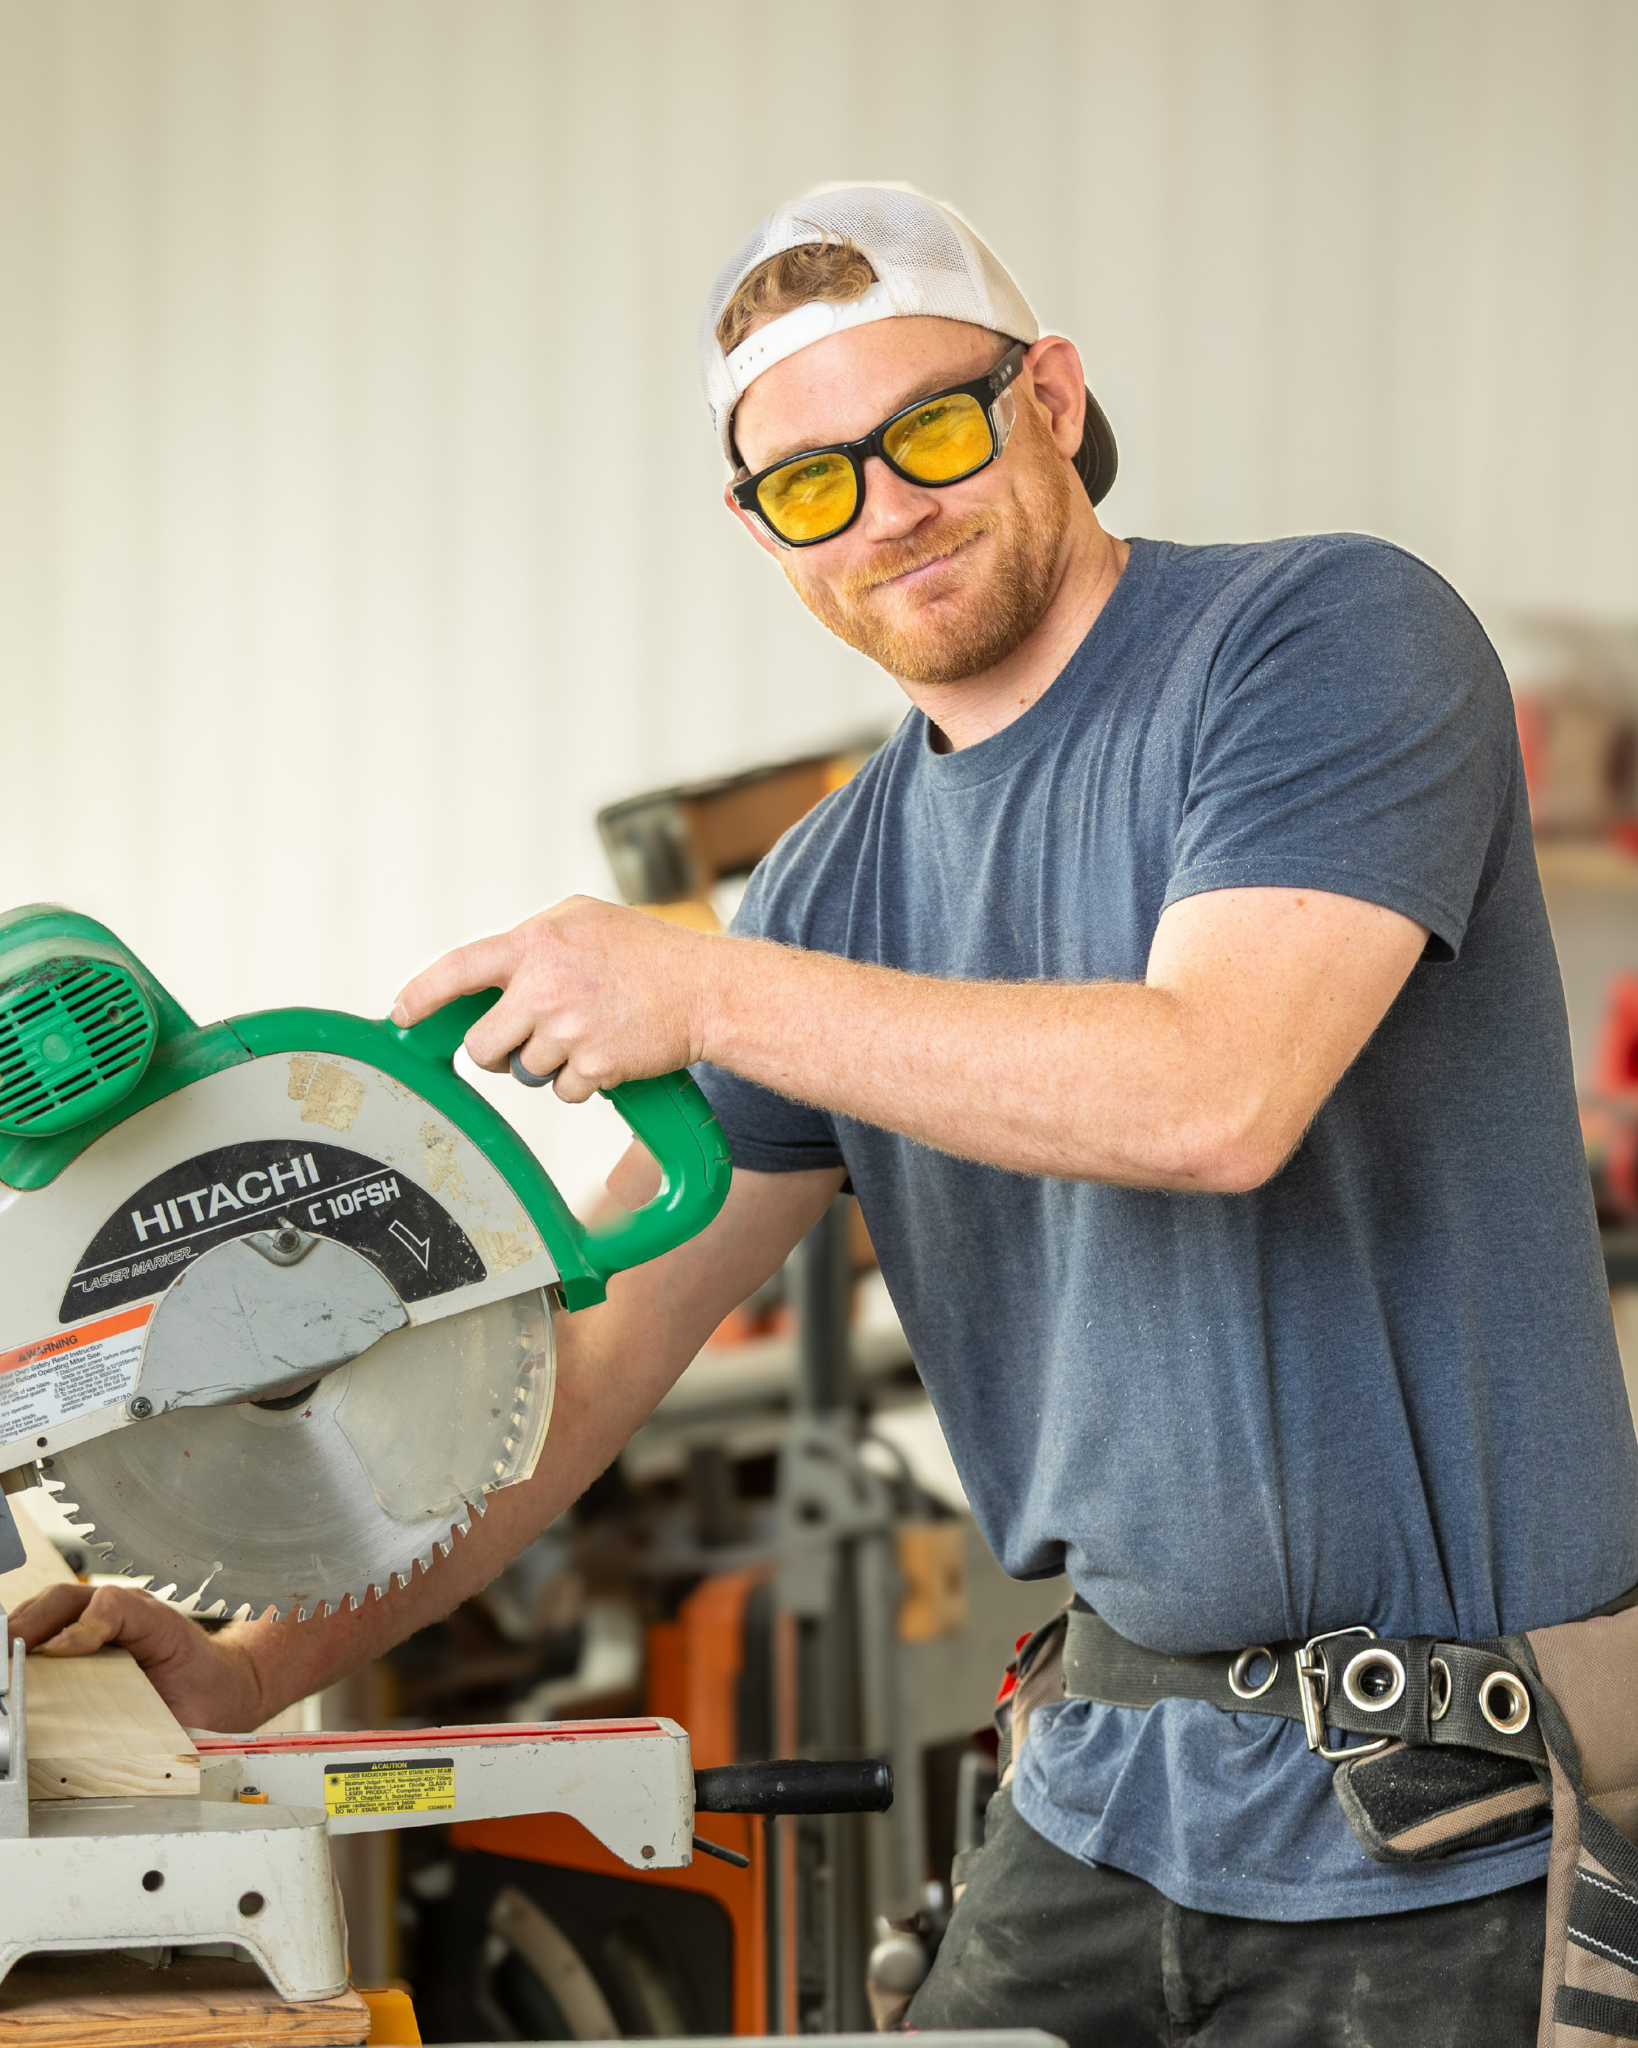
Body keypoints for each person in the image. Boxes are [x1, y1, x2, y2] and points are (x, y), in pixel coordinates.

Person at [15, 184, 1638, 2046]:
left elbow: (1217, 1089)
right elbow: (587, 1353)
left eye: (928, 432)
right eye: (810, 483)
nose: (885, 511)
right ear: (755, 526)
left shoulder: (1322, 637)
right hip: (1106, 1787)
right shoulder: (826, 888)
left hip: (1444, 1812)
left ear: (1048, 394)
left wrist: (699, 982)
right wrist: (251, 1661)